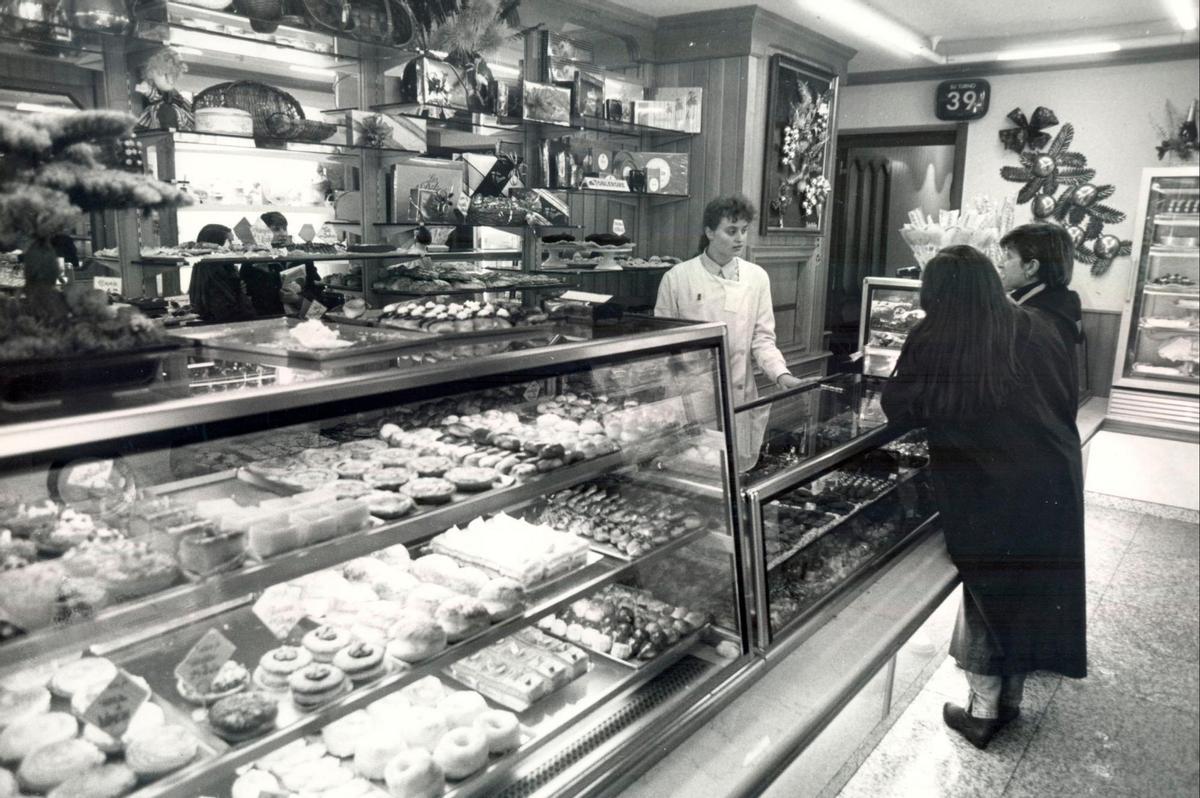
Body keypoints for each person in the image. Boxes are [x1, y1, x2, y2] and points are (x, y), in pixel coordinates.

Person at [881, 245, 1086, 750]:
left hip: (985, 487)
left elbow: (899, 409)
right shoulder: (1036, 325)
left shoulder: (934, 335)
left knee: (988, 590)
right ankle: (1009, 700)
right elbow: (1065, 398)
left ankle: (983, 710)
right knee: (1025, 587)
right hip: (1052, 475)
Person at [655, 194, 803, 470]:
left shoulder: (756, 277)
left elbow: (762, 339)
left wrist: (781, 374)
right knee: (693, 477)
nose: (740, 239)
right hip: (691, 400)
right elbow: (662, 348)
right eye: (731, 231)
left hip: (739, 397)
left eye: (744, 231)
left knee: (734, 474)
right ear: (710, 232)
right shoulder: (677, 278)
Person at [997, 222, 1084, 405]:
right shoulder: (1064, 301)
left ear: (1031, 267)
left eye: (1008, 257)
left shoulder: (1031, 317)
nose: (1000, 264)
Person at [240, 212, 324, 316]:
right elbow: (248, 297)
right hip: (270, 320)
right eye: (276, 229)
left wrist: (297, 299)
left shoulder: (301, 258)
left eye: (285, 228)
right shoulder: (251, 261)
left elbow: (317, 294)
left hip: (302, 321)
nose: (283, 233)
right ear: (262, 233)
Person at [188, 224, 256, 322]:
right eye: (230, 241)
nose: (233, 246)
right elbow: (236, 313)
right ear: (216, 243)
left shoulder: (203, 270)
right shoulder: (217, 274)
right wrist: (241, 293)